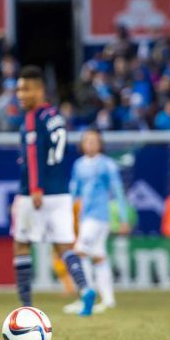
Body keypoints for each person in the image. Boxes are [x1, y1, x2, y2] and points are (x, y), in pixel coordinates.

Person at [11, 65, 96, 316]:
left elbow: (34, 153)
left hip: (36, 192)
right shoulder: (56, 115)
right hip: (61, 191)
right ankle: (85, 289)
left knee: (21, 244)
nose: (20, 94)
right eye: (18, 89)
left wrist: (35, 187)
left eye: (25, 89)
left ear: (39, 90)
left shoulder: (32, 117)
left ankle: (26, 305)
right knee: (65, 246)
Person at [63, 129, 129, 314]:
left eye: (94, 140)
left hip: (99, 216)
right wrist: (67, 211)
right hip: (85, 217)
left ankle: (86, 295)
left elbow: (118, 191)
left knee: (80, 252)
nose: (90, 144)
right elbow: (74, 191)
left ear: (100, 144)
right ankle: (108, 300)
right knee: (99, 256)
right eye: (87, 140)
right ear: (82, 144)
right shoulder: (79, 165)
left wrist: (123, 218)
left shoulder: (107, 164)